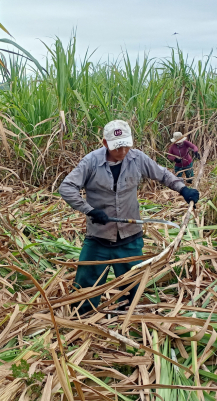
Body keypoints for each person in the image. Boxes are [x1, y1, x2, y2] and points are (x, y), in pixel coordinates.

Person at [59, 120, 200, 315]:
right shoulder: (90, 162)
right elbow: (66, 187)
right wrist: (89, 210)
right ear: (105, 143)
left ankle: (127, 318)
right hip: (99, 237)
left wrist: (183, 189)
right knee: (85, 287)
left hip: (130, 237)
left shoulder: (137, 158)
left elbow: (163, 175)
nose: (123, 151)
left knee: (133, 287)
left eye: (126, 145)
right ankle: (81, 321)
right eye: (118, 147)